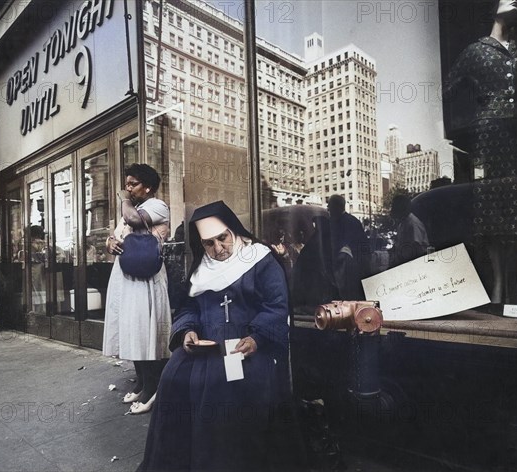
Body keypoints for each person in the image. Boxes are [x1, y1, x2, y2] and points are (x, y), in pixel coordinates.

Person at [137, 200, 292, 471]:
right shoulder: (201, 269)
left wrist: (257, 338)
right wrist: (188, 331)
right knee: (174, 377)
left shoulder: (259, 259)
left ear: (233, 231)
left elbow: (276, 306)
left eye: (223, 238)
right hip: (206, 345)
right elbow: (188, 307)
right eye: (209, 243)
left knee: (223, 388)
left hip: (247, 344)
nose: (218, 249)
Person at [444, 0, 517, 313]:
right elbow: (448, 92)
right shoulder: (474, 51)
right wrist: (472, 122)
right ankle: (497, 284)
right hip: (489, 137)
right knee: (492, 205)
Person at [103, 164, 172, 414]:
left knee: (145, 332)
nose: (128, 188)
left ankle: (153, 389)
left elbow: (134, 221)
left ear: (148, 187)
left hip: (146, 278)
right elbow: (117, 236)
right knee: (132, 331)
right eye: (127, 184)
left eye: (133, 184)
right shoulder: (130, 210)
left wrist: (123, 198)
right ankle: (142, 382)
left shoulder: (157, 206)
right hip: (126, 276)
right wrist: (110, 243)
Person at [327, 194, 369, 299]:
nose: (328, 209)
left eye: (330, 206)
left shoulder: (348, 222)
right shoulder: (350, 220)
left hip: (349, 269)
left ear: (337, 207)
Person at [389, 194, 430, 268]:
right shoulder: (402, 223)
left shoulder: (412, 224)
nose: (392, 209)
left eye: (394, 206)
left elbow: (416, 248)